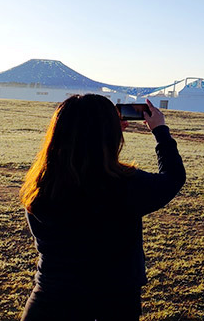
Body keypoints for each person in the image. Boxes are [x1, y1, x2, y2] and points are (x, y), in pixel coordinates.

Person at [19, 94, 186, 320]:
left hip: (49, 302)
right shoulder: (123, 186)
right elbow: (173, 177)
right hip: (112, 305)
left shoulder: (42, 184)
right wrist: (160, 132)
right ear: (109, 135)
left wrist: (103, 133)